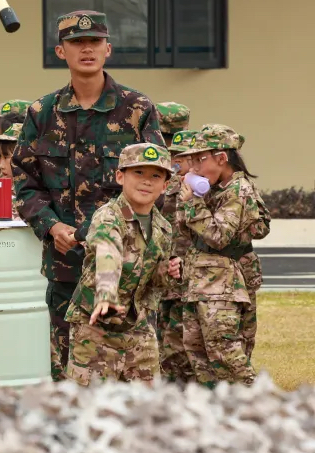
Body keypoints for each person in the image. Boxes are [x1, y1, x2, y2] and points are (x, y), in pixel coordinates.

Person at [13, 10, 164, 382]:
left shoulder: (137, 110)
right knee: (69, 374)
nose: (86, 49)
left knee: (134, 375)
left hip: (128, 268)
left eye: (94, 42)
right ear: (60, 51)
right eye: (76, 42)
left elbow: (159, 182)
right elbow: (25, 182)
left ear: (107, 48)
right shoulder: (41, 114)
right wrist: (51, 227)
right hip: (67, 266)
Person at [65, 143, 173, 385]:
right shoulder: (108, 217)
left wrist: (167, 271)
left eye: (155, 176)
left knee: (148, 401)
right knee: (90, 402)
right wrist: (106, 295)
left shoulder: (163, 228)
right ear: (120, 176)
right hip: (95, 329)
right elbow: (108, 252)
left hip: (138, 329)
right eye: (138, 173)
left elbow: (154, 284)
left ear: (165, 186)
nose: (146, 181)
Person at [176, 125, 270, 387]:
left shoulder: (237, 190)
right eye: (192, 160)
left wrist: (193, 204)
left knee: (225, 351)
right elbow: (188, 232)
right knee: (197, 351)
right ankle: (215, 404)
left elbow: (219, 236)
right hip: (201, 279)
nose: (194, 167)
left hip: (222, 282)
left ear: (221, 158)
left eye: (200, 159)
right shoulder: (215, 188)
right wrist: (189, 201)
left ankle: (254, 400)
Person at [159, 129, 199, 383]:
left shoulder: (204, 188)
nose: (179, 163)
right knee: (166, 329)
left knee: (187, 334)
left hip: (194, 271)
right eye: (177, 157)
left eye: (185, 158)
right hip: (168, 270)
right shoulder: (166, 187)